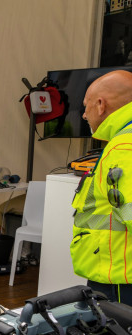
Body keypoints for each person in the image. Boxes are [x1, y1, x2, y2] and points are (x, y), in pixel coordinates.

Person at [72, 70, 132, 305]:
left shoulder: (123, 147)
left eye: (85, 107)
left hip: (119, 275)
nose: (84, 115)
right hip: (119, 269)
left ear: (100, 104)